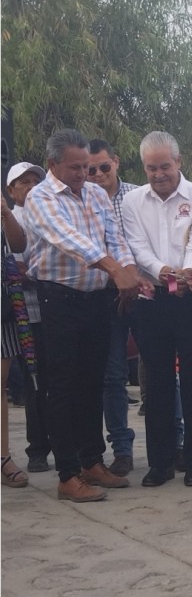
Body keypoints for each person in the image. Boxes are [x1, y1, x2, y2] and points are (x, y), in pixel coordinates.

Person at [25, 129, 151, 502]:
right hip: (58, 299)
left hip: (97, 298)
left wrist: (126, 273)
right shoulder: (40, 197)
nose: (84, 174)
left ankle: (91, 461)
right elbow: (68, 239)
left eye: (88, 166)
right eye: (75, 167)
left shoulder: (96, 195)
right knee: (62, 386)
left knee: (92, 382)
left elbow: (115, 237)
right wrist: (117, 269)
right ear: (53, 164)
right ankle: (66, 474)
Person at [122, 131, 192, 488]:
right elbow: (138, 247)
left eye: (165, 166)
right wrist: (163, 272)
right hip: (152, 299)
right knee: (156, 383)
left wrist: (187, 271)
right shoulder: (132, 202)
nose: (159, 174)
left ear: (179, 162)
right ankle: (159, 461)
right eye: (151, 168)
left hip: (189, 298)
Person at [87, 139, 140, 477]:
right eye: (90, 170)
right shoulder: (83, 201)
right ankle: (121, 449)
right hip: (107, 296)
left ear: (116, 162)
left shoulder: (138, 196)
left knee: (164, 370)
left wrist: (133, 278)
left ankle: (176, 443)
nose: (97, 175)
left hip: (147, 290)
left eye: (104, 167)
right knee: (113, 377)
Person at [6, 162, 51, 473]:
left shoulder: (48, 215)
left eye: (37, 180)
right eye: (24, 182)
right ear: (11, 190)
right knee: (32, 382)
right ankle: (37, 448)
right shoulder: (10, 217)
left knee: (55, 379)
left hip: (50, 308)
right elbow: (16, 265)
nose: (32, 186)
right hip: (20, 313)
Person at [2, 193, 29, 488]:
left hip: (2, 304)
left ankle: (3, 457)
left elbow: (19, 245)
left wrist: (6, 213)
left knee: (2, 380)